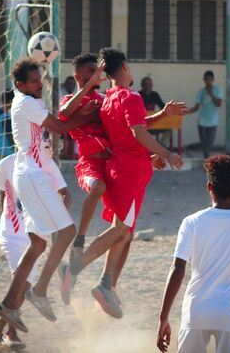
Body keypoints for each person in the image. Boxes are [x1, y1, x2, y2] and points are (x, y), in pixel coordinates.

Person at [61, 48, 187, 319]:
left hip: (121, 168)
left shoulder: (109, 99)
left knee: (125, 231)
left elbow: (131, 129)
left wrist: (162, 118)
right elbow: (138, 131)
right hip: (129, 173)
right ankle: (78, 269)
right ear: (126, 67)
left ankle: (107, 284)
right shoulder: (130, 96)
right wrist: (166, 153)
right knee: (121, 230)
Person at [0, 58, 96, 332]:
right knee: (66, 233)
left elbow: (56, 128)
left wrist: (84, 99)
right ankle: (39, 291)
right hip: (32, 176)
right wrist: (91, 114)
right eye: (34, 81)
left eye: (40, 79)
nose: (40, 84)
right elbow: (61, 128)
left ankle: (7, 309)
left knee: (37, 246)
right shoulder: (26, 103)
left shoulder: (31, 101)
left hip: (36, 175)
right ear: (20, 85)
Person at [157, 155, 230, 353]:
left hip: (196, 311)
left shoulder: (191, 222)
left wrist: (163, 318)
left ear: (209, 186)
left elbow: (178, 269)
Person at [0, 153, 70, 347]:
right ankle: (12, 332)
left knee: (25, 286)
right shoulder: (5, 164)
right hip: (11, 231)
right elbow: (2, 194)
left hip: (35, 232)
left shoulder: (48, 164)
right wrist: (3, 220)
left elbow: (64, 193)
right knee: (19, 278)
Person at [58, 53, 109, 302]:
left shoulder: (103, 99)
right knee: (96, 187)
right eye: (92, 70)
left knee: (122, 230)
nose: (98, 72)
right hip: (89, 165)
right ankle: (79, 240)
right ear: (79, 76)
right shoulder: (71, 99)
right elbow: (65, 114)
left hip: (113, 164)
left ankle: (74, 271)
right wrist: (88, 88)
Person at [186, 70, 223, 158]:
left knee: (209, 142)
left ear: (213, 79)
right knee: (205, 145)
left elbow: (218, 104)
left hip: (213, 121)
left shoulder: (218, 90)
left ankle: (192, 147)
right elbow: (196, 107)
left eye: (210, 79)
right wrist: (186, 111)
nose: (208, 81)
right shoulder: (201, 92)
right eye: (206, 79)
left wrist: (211, 93)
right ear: (204, 80)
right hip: (202, 121)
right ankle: (208, 163)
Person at [139, 76, 171, 148]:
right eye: (145, 84)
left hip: (154, 123)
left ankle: (160, 148)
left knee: (169, 130)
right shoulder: (138, 95)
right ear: (142, 85)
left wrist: (169, 108)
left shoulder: (155, 95)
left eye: (149, 84)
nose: (148, 86)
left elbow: (162, 106)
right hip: (142, 126)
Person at [0, 90, 15, 158]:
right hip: (8, 150)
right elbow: (10, 135)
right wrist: (14, 148)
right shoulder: (7, 118)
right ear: (11, 102)